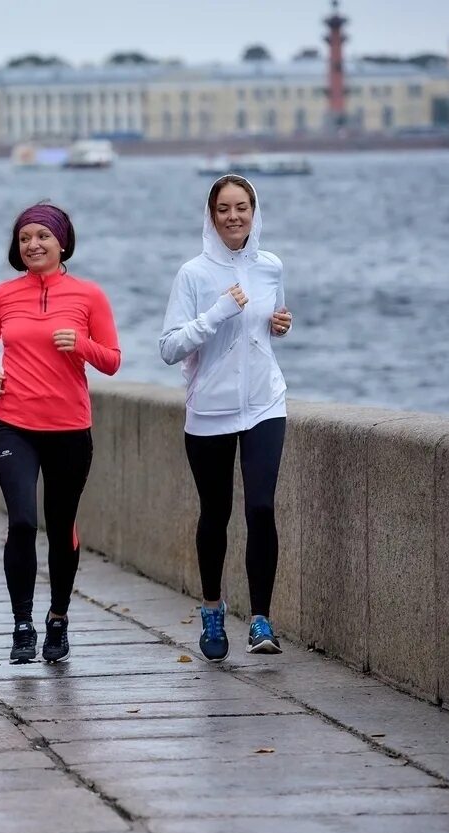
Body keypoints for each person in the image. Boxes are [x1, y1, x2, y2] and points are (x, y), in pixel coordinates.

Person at [0, 202, 121, 665]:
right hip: (13, 424)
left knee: (61, 528)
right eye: (24, 238)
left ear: (62, 243)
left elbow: (112, 360)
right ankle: (22, 625)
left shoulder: (89, 296)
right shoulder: (2, 296)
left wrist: (80, 344)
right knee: (21, 521)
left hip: (69, 429)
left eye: (42, 236)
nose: (33, 245)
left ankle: (58, 619)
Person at [159, 174, 293, 662]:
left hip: (264, 402)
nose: (234, 217)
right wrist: (217, 312)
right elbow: (169, 347)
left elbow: (264, 327)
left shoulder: (271, 266)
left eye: (243, 208)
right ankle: (213, 609)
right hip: (210, 411)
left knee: (261, 508)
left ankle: (261, 620)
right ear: (211, 216)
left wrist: (280, 324)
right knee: (216, 514)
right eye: (224, 209)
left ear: (255, 213)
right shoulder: (193, 274)